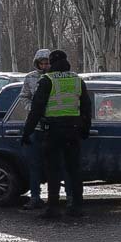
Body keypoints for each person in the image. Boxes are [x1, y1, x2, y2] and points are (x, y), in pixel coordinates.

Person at [21, 50, 92, 220]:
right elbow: (86, 107)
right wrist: (85, 129)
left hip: (53, 131)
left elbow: (36, 109)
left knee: (53, 171)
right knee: (74, 170)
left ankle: (53, 208)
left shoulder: (47, 80)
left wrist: (27, 132)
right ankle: (76, 206)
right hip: (73, 130)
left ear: (52, 63)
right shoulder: (77, 79)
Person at [19, 48, 52, 209]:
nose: (45, 65)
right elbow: (24, 96)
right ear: (37, 63)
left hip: (53, 126)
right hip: (35, 125)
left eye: (47, 62)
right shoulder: (30, 78)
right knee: (34, 164)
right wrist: (33, 108)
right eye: (42, 63)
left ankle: (57, 198)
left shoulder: (55, 78)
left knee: (55, 164)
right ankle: (35, 196)